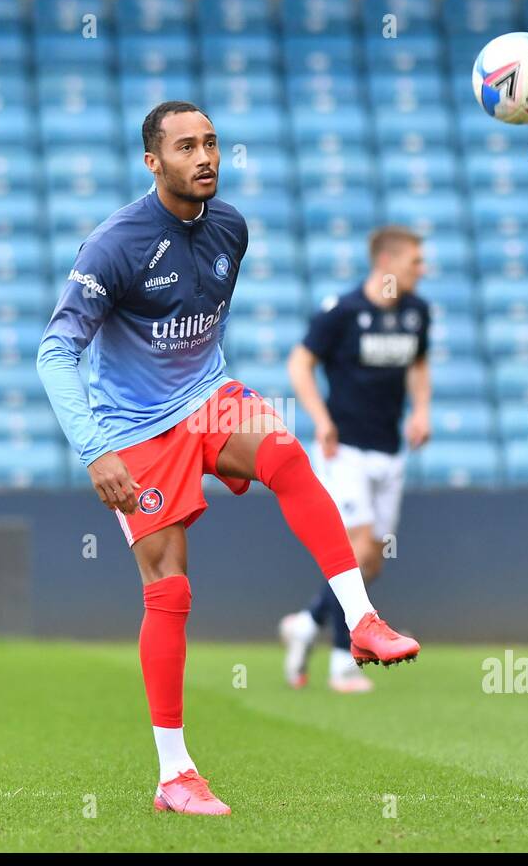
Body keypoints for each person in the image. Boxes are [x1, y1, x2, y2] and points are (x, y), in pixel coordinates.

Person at [36, 102, 420, 816]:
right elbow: (55, 350)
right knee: (171, 590)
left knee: (288, 458)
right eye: (186, 147)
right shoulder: (115, 245)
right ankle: (174, 774)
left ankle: (361, 619)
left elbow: (195, 332)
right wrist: (95, 450)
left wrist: (223, 442)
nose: (205, 156)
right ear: (153, 162)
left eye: (211, 142)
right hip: (132, 430)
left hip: (209, 397)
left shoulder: (231, 228)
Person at [280, 227, 433, 693]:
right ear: (386, 262)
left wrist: (421, 409)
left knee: (373, 561)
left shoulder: (415, 313)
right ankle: (344, 661)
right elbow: (299, 363)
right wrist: (321, 418)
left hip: (390, 451)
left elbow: (419, 363)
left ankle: (306, 623)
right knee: (359, 549)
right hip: (343, 449)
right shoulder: (343, 312)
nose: (421, 270)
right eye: (414, 262)